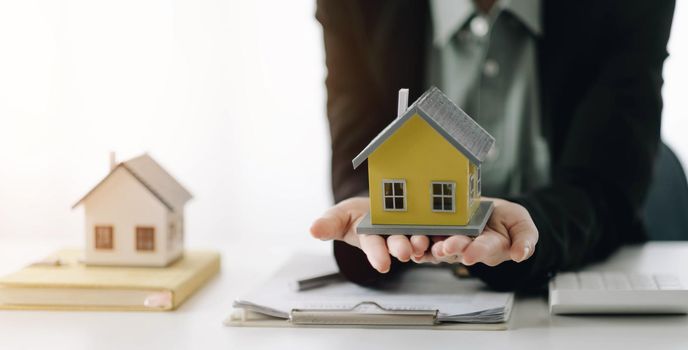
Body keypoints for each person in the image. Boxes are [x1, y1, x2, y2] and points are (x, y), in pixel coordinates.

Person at [309, 0, 675, 291]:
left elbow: (604, 185)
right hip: (415, 295)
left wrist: (530, 235)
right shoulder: (353, 5)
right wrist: (377, 220)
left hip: (568, 281)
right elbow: (360, 159)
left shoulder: (628, 6)